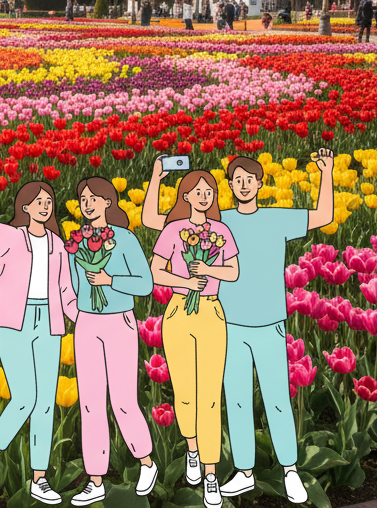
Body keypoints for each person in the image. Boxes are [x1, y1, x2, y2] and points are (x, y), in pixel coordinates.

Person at [195, 152, 334, 504]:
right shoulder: (219, 221)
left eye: (248, 179)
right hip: (230, 324)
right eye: (236, 180)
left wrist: (327, 173)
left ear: (260, 183)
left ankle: (290, 470)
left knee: (277, 399)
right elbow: (164, 223)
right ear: (229, 186)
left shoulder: (276, 219)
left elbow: (324, 215)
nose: (242, 185)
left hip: (269, 322)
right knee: (237, 399)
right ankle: (244, 471)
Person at [0, 159, 78, 505]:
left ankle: (39, 479)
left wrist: (82, 318)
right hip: (16, 321)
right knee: (25, 396)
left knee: (45, 404)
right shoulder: (11, 237)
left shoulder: (59, 245)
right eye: (38, 201)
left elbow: (66, 291)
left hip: (50, 323)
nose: (45, 206)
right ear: (25, 207)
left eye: (49, 202)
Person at [143, 166, 240, 508]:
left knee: (210, 395)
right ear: (185, 196)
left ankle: (211, 475)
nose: (204, 196)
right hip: (179, 311)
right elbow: (156, 270)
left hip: (212, 312)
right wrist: (186, 282)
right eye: (197, 191)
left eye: (209, 192)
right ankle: (193, 449)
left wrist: (207, 271)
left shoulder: (222, 231)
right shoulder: (173, 231)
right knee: (184, 392)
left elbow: (233, 271)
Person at [67, 178, 158, 506]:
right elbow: (74, 286)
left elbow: (145, 284)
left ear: (108, 202)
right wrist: (80, 313)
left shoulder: (125, 239)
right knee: (90, 404)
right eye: (83, 199)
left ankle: (146, 462)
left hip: (120, 322)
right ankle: (95, 480)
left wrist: (110, 280)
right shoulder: (76, 242)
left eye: (94, 198)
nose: (88, 203)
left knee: (122, 400)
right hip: (87, 325)